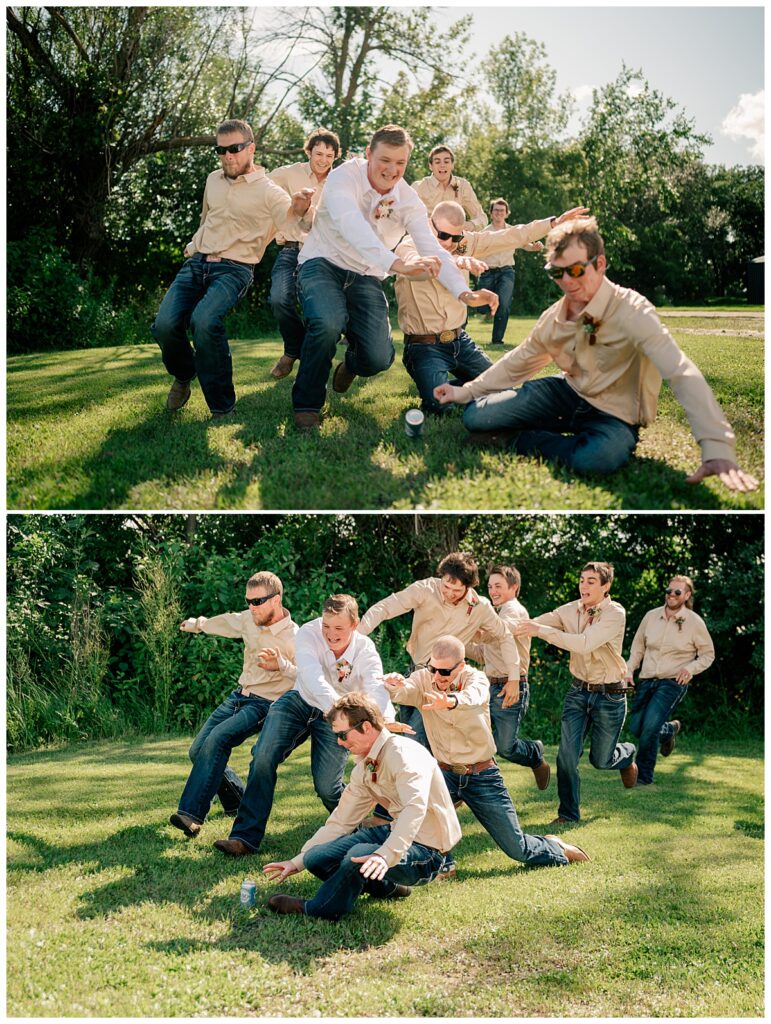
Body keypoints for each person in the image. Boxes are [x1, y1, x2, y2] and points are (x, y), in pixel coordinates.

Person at [433, 217, 759, 492]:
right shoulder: (555, 315)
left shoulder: (633, 310)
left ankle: (517, 441)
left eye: (575, 271)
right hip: (566, 394)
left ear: (599, 264)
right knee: (475, 417)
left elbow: (680, 372)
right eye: (556, 272)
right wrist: (465, 391)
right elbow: (518, 362)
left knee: (596, 459)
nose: (566, 282)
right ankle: (515, 428)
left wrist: (715, 445)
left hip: (614, 416)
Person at [291, 124, 486, 431]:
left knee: (379, 358)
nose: (392, 170)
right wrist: (397, 263)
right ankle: (307, 404)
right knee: (327, 322)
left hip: (365, 274)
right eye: (385, 160)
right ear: (369, 154)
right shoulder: (344, 177)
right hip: (323, 261)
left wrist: (464, 293)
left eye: (400, 163)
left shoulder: (407, 199)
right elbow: (351, 226)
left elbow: (433, 248)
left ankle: (351, 364)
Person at [151, 119, 314, 418]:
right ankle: (184, 375)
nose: (228, 156)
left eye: (235, 149)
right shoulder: (213, 179)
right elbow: (206, 218)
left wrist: (302, 208)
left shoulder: (269, 191)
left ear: (250, 148)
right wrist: (193, 246)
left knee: (204, 321)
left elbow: (293, 220)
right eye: (221, 150)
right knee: (164, 325)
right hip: (197, 262)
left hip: (234, 269)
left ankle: (222, 407)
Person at [383, 636, 588, 871]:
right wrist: (394, 685)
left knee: (517, 848)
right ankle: (444, 865)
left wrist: (450, 700)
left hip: (482, 775)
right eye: (433, 668)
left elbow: (473, 697)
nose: (437, 676)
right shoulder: (424, 679)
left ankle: (554, 846)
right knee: (417, 816)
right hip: (444, 774)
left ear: (460, 666)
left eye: (444, 671)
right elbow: (404, 691)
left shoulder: (476, 678)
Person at [213, 594, 396, 856]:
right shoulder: (308, 633)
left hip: (340, 716)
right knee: (263, 756)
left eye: (339, 628)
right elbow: (312, 677)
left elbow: (376, 688)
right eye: (327, 626)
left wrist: (379, 721)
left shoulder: (365, 649)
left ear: (354, 626)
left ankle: (358, 833)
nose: (331, 634)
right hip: (300, 700)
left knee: (327, 787)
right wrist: (338, 709)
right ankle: (244, 837)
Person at [263, 693, 461, 919]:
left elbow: (414, 808)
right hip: (394, 832)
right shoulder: (364, 767)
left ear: (366, 727)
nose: (339, 742)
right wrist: (297, 862)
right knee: (315, 858)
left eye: (342, 735)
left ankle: (320, 908)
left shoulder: (404, 754)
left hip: (428, 851)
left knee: (358, 854)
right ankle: (387, 888)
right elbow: (341, 821)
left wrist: (385, 854)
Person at [395, 200, 587, 415]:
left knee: (502, 390)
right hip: (424, 347)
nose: (450, 243)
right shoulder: (409, 245)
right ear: (430, 224)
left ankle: (459, 387)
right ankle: (440, 389)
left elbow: (508, 236)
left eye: (456, 237)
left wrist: (553, 223)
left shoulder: (464, 243)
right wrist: (456, 262)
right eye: (443, 236)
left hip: (460, 342)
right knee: (440, 407)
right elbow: (417, 268)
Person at [170, 572, 298, 837]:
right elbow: (228, 622)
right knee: (197, 750)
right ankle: (235, 800)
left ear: (276, 600)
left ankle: (191, 816)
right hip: (239, 696)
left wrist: (281, 666)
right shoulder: (250, 619)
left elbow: (305, 675)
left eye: (257, 601)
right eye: (248, 601)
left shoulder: (294, 637)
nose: (251, 607)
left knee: (218, 739)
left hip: (265, 704)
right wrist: (197, 624)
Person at [512, 562, 638, 825]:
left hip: (610, 696)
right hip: (578, 693)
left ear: (606, 586)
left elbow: (584, 644)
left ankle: (626, 755)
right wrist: (501, 627)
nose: (584, 585)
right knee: (566, 757)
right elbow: (534, 623)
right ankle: (568, 814)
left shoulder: (615, 613)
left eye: (591, 581)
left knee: (601, 760)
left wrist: (541, 632)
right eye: (581, 580)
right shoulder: (570, 610)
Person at [358, 551, 521, 747]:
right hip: (414, 672)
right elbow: (385, 608)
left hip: (443, 679)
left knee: (414, 739)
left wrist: (514, 678)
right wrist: (356, 638)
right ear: (440, 578)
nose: (450, 593)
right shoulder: (424, 589)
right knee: (405, 734)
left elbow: (504, 635)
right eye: (446, 586)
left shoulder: (481, 607)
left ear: (469, 587)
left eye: (457, 590)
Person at [625, 575, 715, 785]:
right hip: (647, 679)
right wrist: (629, 669)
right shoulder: (651, 616)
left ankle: (643, 777)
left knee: (649, 728)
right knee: (637, 727)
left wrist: (690, 668)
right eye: (669, 591)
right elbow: (638, 647)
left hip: (672, 682)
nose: (671, 595)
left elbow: (708, 654)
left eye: (677, 592)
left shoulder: (694, 622)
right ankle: (667, 731)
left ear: (686, 595)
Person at [466, 565, 550, 789]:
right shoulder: (499, 612)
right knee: (474, 737)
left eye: (499, 586)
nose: (493, 591)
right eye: (490, 586)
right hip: (489, 686)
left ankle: (535, 753)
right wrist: (458, 641)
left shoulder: (513, 610)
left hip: (510, 686)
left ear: (514, 588)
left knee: (506, 747)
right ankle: (465, 789)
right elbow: (484, 655)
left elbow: (498, 631)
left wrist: (471, 624)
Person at [267, 128, 340, 381]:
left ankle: (302, 358)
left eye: (329, 155)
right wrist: (286, 211)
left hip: (324, 254)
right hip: (291, 247)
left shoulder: (340, 179)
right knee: (278, 298)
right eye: (318, 153)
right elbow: (262, 188)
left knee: (319, 310)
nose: (323, 159)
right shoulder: (290, 173)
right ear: (308, 151)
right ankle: (293, 349)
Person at [475, 197, 544, 346]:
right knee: (480, 306)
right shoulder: (484, 233)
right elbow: (475, 250)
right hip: (487, 272)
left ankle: (497, 341)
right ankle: (485, 311)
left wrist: (534, 247)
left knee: (504, 304)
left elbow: (525, 245)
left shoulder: (513, 231)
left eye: (502, 211)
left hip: (506, 272)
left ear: (507, 213)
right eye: (496, 210)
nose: (499, 213)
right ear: (491, 213)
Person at [412, 144, 487, 230]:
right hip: (427, 238)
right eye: (437, 162)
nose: (442, 165)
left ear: (452, 165)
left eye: (446, 161)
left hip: (455, 240)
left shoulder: (463, 185)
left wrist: (471, 225)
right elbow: (405, 216)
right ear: (430, 166)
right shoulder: (418, 187)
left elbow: (482, 218)